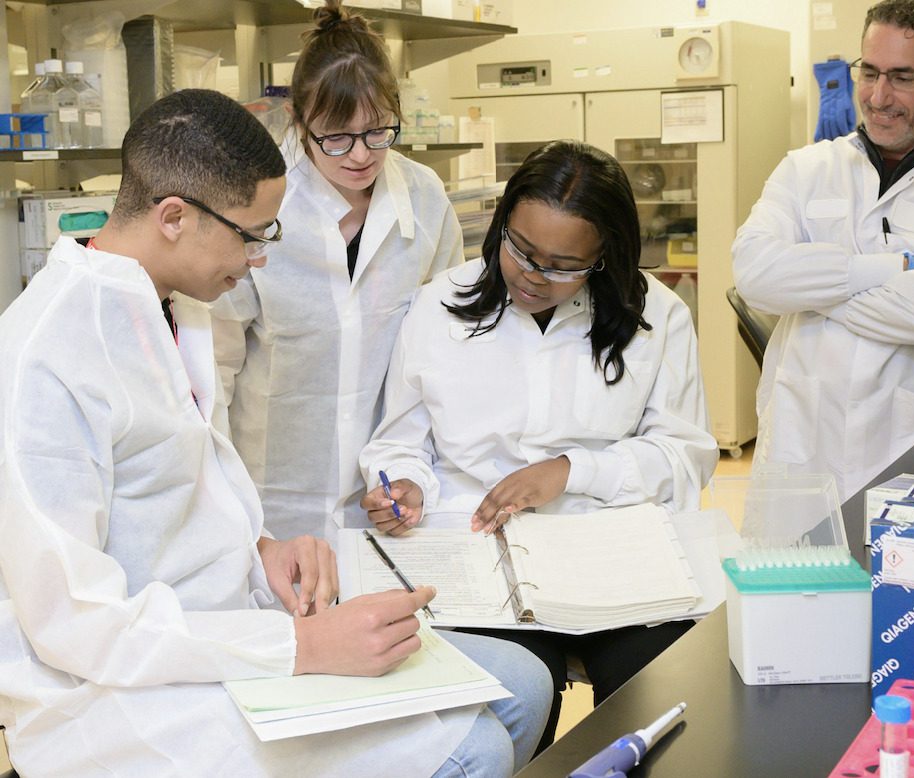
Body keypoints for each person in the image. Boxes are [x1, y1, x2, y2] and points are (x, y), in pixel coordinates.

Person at [0, 89, 550, 778]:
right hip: (118, 688)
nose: (260, 258)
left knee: (522, 684)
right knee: (477, 749)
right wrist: (303, 647)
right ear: (174, 217)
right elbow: (75, 623)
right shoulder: (43, 359)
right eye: (251, 234)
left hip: (223, 623)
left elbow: (173, 496)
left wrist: (263, 550)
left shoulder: (173, 306)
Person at [359, 140, 720, 750]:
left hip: (609, 555)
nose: (532, 275)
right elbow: (399, 442)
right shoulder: (438, 305)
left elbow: (683, 456)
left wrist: (572, 471)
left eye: (562, 265)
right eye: (521, 250)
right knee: (515, 706)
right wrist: (403, 485)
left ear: (604, 257)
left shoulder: (657, 315)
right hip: (481, 559)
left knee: (660, 698)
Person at [210, 0, 464, 547]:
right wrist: (218, 500)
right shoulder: (256, 205)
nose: (360, 156)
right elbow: (215, 367)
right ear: (298, 120)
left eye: (377, 132)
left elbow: (443, 351)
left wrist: (414, 472)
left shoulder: (424, 198)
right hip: (270, 500)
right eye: (336, 137)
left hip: (388, 493)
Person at [733, 0, 914, 502]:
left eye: (903, 76)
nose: (878, 95)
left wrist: (810, 291)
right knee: (795, 554)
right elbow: (754, 276)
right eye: (868, 72)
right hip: (805, 442)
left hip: (913, 443)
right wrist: (887, 271)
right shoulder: (804, 169)